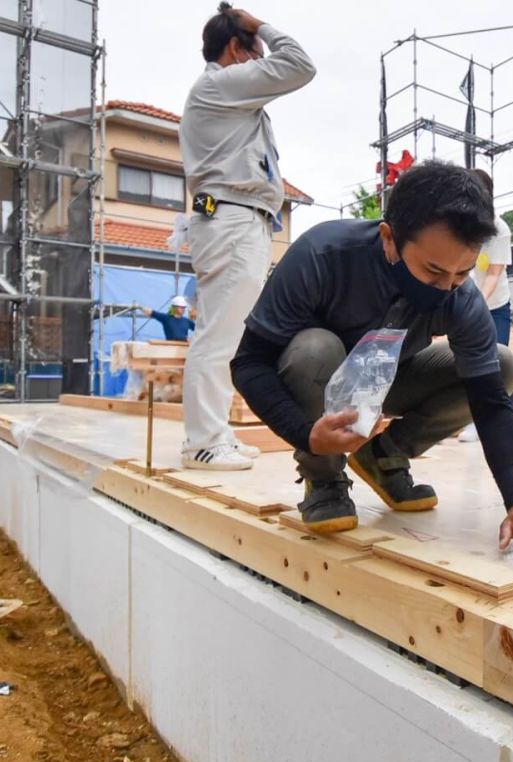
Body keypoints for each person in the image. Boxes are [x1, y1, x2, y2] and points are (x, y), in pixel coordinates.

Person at [230, 161, 513, 559]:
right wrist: (305, 436)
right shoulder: (323, 254)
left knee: (501, 366)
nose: (446, 288)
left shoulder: (461, 297)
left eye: (460, 274)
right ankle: (324, 477)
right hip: (323, 377)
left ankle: (383, 457)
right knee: (316, 348)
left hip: (392, 377)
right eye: (434, 271)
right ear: (389, 238)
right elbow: (249, 362)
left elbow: (491, 404)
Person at [179, 3, 316, 471]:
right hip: (230, 218)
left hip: (241, 219)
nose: (261, 64)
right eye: (255, 53)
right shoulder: (219, 83)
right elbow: (300, 65)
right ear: (237, 49)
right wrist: (259, 25)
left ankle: (216, 433)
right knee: (219, 334)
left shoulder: (227, 94)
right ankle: (202, 441)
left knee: (231, 336)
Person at [459, 169, 513, 444]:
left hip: (494, 305)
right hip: (465, 303)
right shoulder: (457, 224)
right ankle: (471, 420)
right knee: (468, 365)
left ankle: (502, 423)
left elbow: (493, 273)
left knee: (498, 363)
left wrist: (475, 305)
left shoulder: (499, 229)